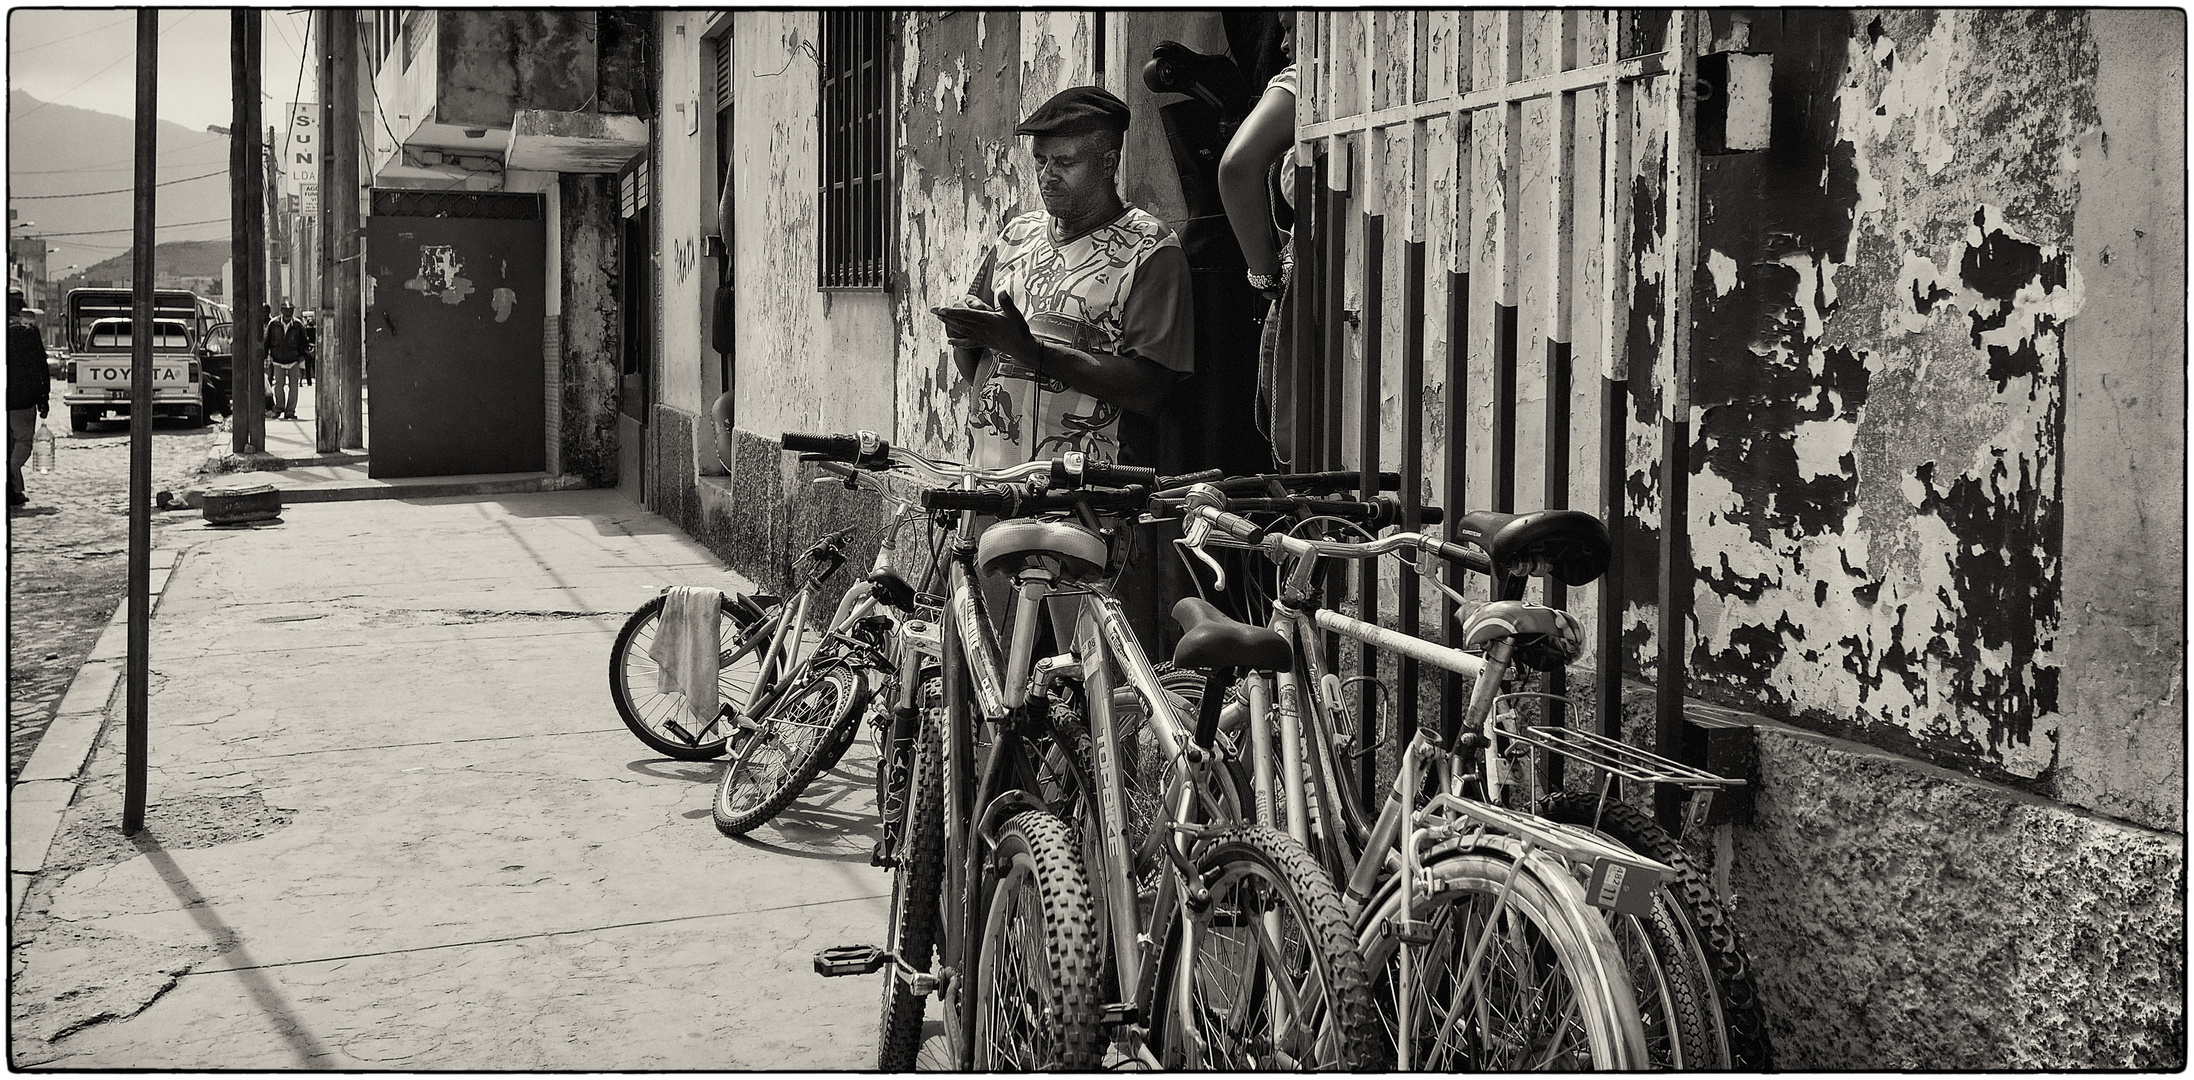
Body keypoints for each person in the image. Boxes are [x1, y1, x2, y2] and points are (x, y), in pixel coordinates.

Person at [935, 85, 1195, 470]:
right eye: (1040, 161)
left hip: (1084, 499)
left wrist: (1031, 352)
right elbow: (981, 363)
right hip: (992, 484)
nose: (1047, 176)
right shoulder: (1016, 235)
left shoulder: (1150, 248)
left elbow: (1151, 390)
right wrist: (965, 335)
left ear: (1108, 163)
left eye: (1064, 162)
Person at [1217, 16, 1298, 461]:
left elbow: (1236, 168)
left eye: (1292, 26)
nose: (1284, 45)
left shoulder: (1308, 78)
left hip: (1315, 292)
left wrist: (1266, 275)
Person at [8, 293, 50, 506]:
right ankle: (9, 476)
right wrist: (44, 398)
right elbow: (40, 367)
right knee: (23, 442)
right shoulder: (27, 333)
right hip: (21, 401)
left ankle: (15, 491)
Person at [264, 301, 308, 420]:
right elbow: (267, 341)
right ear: (281, 311)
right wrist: (264, 355)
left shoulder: (298, 325)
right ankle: (279, 407)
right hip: (278, 360)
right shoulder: (273, 324)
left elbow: (305, 342)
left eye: (290, 311)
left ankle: (290, 411)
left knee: (294, 386)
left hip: (294, 360)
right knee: (279, 385)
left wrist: (302, 356)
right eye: (286, 311)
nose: (288, 313)